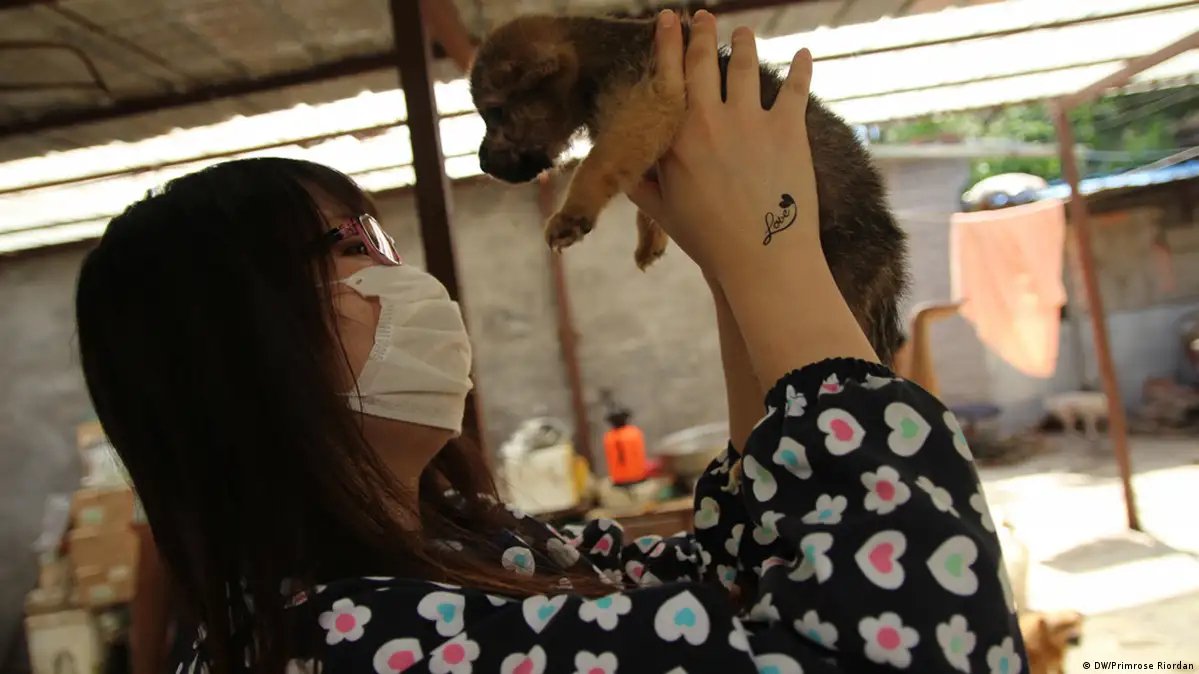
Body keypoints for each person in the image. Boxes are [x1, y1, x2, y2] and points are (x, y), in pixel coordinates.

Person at [74, 9, 1025, 674]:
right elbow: (920, 641)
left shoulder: (469, 548)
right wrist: (773, 251)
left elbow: (743, 568)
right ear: (240, 353)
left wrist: (742, 267)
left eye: (384, 245)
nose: (401, 278)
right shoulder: (348, 644)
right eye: (351, 251)